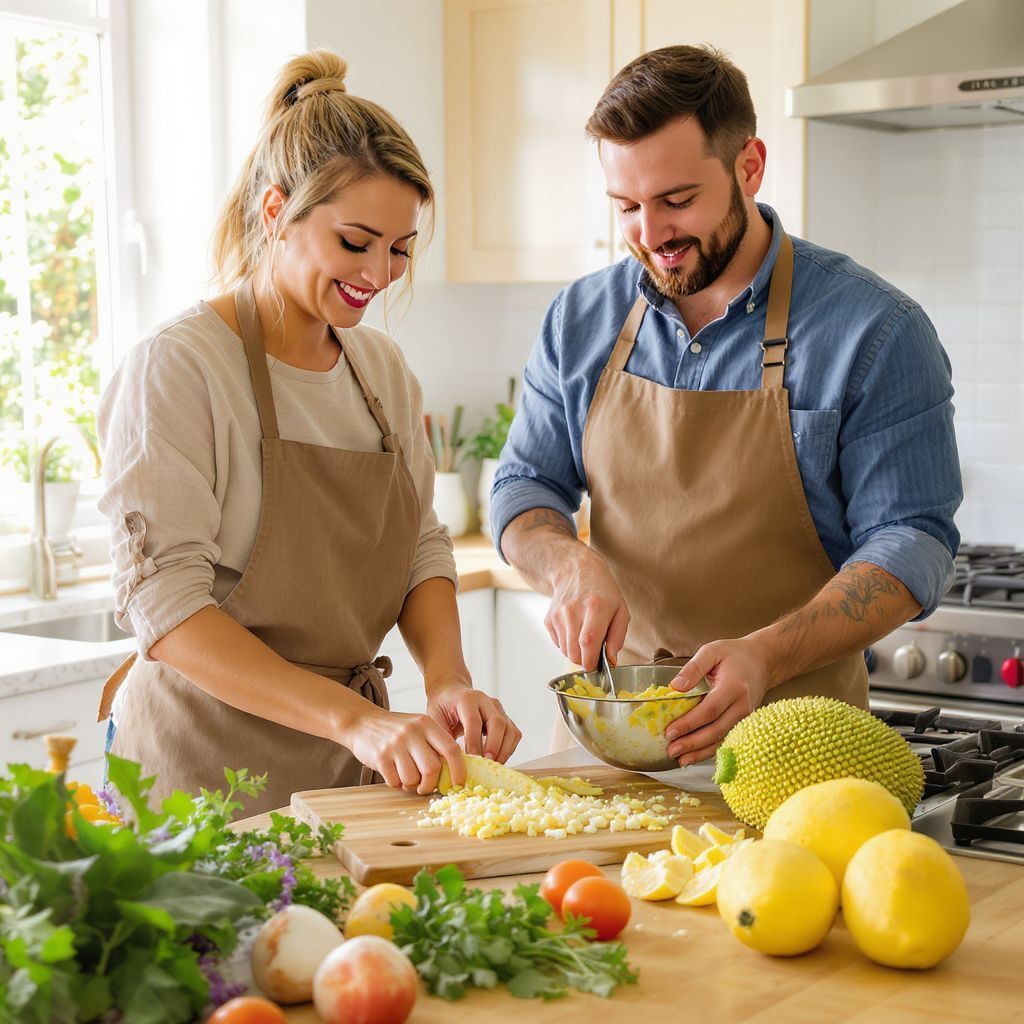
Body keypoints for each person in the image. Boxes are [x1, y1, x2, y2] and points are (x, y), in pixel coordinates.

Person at [492, 45, 962, 767]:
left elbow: (910, 543)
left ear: (750, 166)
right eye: (626, 207)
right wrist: (566, 564)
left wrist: (767, 654)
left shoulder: (876, 331)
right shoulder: (580, 318)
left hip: (799, 745)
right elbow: (524, 487)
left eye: (677, 200)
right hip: (616, 743)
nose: (651, 236)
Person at [97, 50, 520, 813]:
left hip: (348, 776)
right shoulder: (180, 369)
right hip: (201, 783)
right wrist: (357, 720)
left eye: (401, 248)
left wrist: (447, 678)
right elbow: (166, 609)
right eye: (357, 243)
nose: (381, 272)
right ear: (275, 213)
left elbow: (420, 541)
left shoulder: (380, 369)